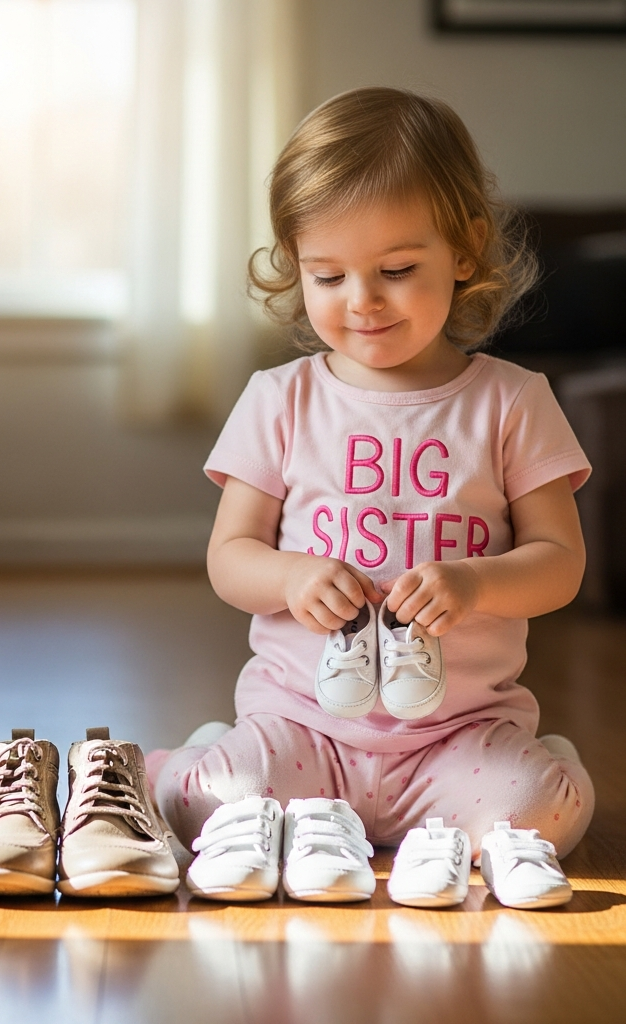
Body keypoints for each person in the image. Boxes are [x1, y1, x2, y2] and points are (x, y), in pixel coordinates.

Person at [147, 87, 594, 863]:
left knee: (542, 816)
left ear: (464, 250)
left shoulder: (512, 401)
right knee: (197, 806)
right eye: (327, 277)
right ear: (296, 268)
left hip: (457, 737)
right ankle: (219, 747)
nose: (362, 303)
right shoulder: (280, 399)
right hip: (304, 727)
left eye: (395, 268)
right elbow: (230, 556)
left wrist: (478, 585)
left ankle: (545, 760)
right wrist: (289, 578)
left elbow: (561, 563)